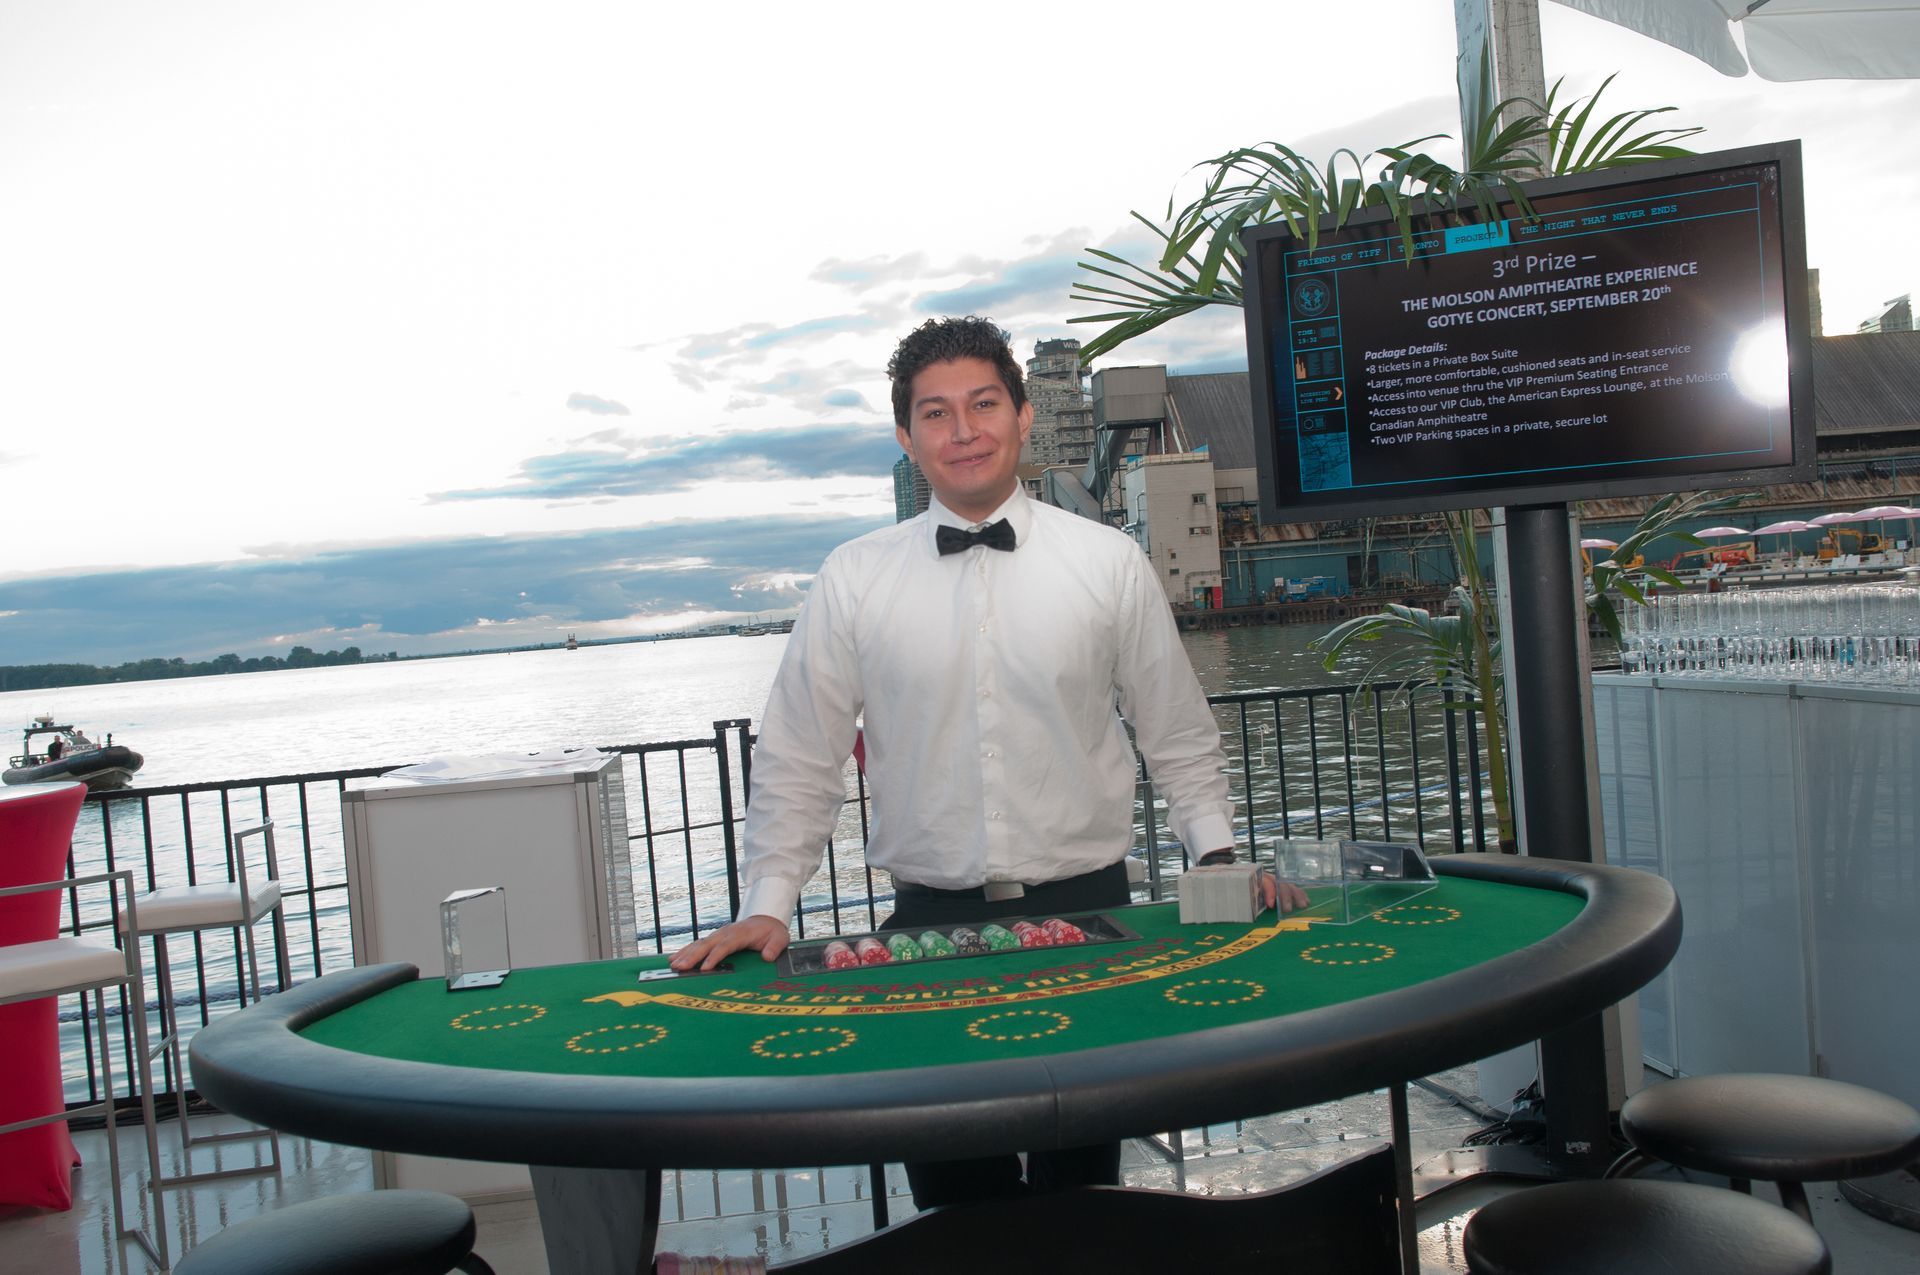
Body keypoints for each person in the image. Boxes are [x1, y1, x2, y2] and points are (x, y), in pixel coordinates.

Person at [673, 315, 1306, 1206]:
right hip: (922, 937)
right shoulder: (851, 577)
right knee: (956, 1217)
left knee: (1084, 1203)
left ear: (1022, 416)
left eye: (983, 405)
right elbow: (799, 758)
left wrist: (1218, 857)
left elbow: (1176, 731)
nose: (963, 430)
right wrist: (768, 906)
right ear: (906, 437)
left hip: (1095, 924)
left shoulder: (1109, 561)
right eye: (936, 413)